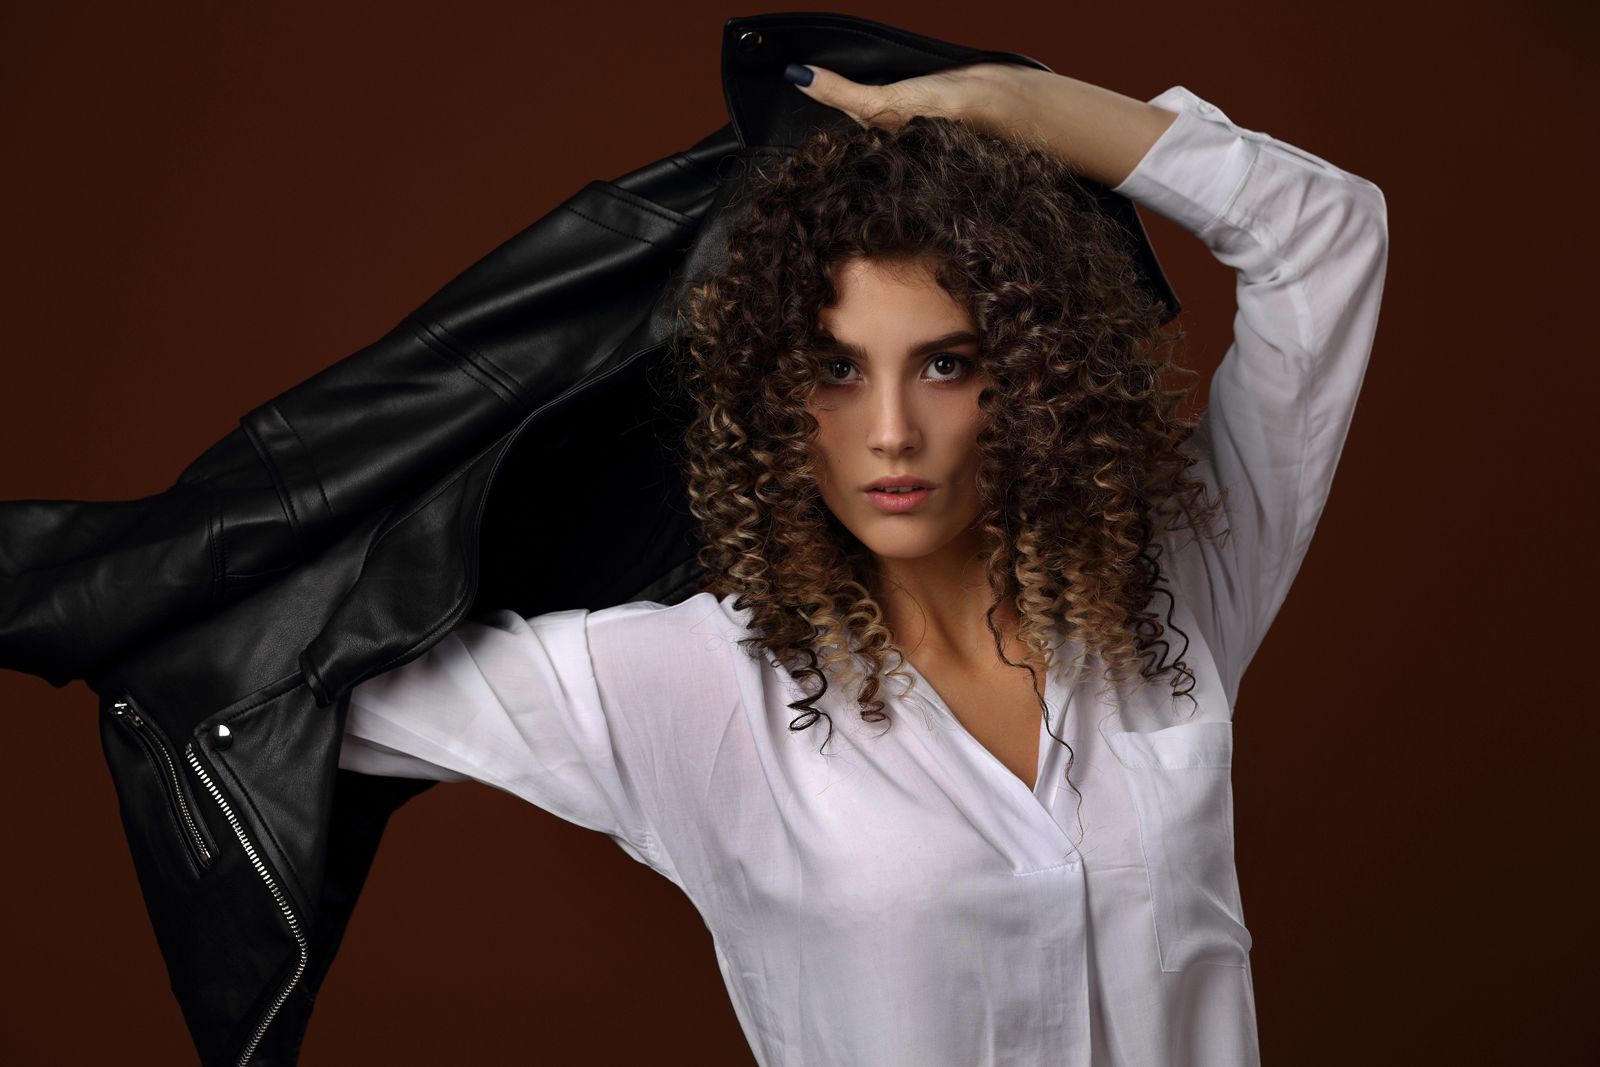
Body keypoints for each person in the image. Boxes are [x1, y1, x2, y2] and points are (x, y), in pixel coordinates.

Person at [335, 58, 1388, 1066]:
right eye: (836, 369)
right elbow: (293, 690)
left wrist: (1017, 103)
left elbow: (1324, 234)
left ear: (1033, 378)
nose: (890, 432)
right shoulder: (697, 685)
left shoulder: (1172, 585)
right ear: (773, 396)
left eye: (945, 364)